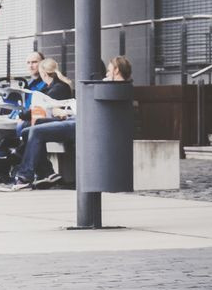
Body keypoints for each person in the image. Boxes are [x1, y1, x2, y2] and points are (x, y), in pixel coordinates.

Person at [10, 57, 127, 190]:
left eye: (109, 71)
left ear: (116, 70)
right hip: (77, 119)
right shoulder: (107, 86)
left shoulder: (113, 87)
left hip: (82, 124)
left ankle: (25, 176)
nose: (106, 74)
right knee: (28, 130)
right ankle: (46, 173)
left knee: (35, 131)